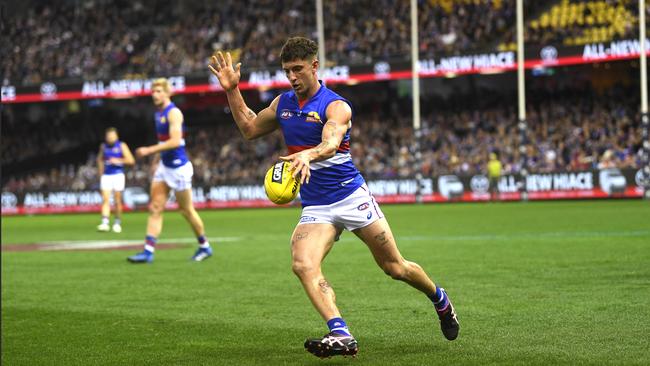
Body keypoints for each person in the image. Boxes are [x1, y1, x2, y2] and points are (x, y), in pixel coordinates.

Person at [209, 37, 459, 358]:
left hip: (351, 196)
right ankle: (340, 332)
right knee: (302, 264)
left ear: (314, 66)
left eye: (298, 69)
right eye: (287, 71)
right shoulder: (282, 105)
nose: (292, 77)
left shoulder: (335, 105)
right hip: (316, 205)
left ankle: (439, 299)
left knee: (395, 267)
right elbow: (249, 128)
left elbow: (330, 142)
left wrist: (307, 156)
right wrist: (232, 89)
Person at [127, 78, 213, 263]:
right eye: (153, 92)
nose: (155, 95)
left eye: (159, 91)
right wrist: (156, 160)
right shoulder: (157, 114)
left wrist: (149, 151)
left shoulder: (173, 113)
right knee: (155, 207)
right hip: (164, 167)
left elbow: (175, 141)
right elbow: (163, 141)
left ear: (167, 93)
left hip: (178, 168)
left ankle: (205, 246)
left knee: (186, 210)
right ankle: (148, 252)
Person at [96, 127, 135, 233]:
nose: (110, 138)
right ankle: (105, 222)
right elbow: (99, 159)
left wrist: (117, 160)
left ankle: (117, 222)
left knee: (117, 200)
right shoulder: (103, 147)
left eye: (112, 136)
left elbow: (131, 160)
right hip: (106, 176)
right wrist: (100, 174)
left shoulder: (122, 146)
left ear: (116, 136)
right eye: (108, 136)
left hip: (118, 175)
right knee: (105, 199)